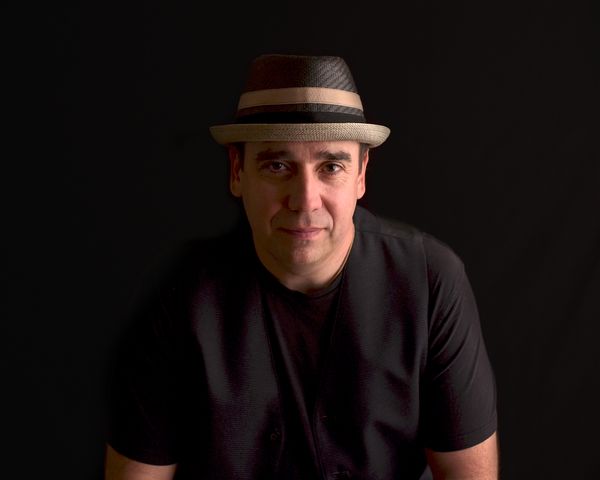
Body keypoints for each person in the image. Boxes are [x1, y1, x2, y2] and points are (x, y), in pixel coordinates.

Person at [104, 54, 498, 480]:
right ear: (237, 171)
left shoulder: (430, 280)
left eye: (331, 167)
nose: (305, 200)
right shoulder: (181, 294)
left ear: (360, 176)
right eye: (278, 166)